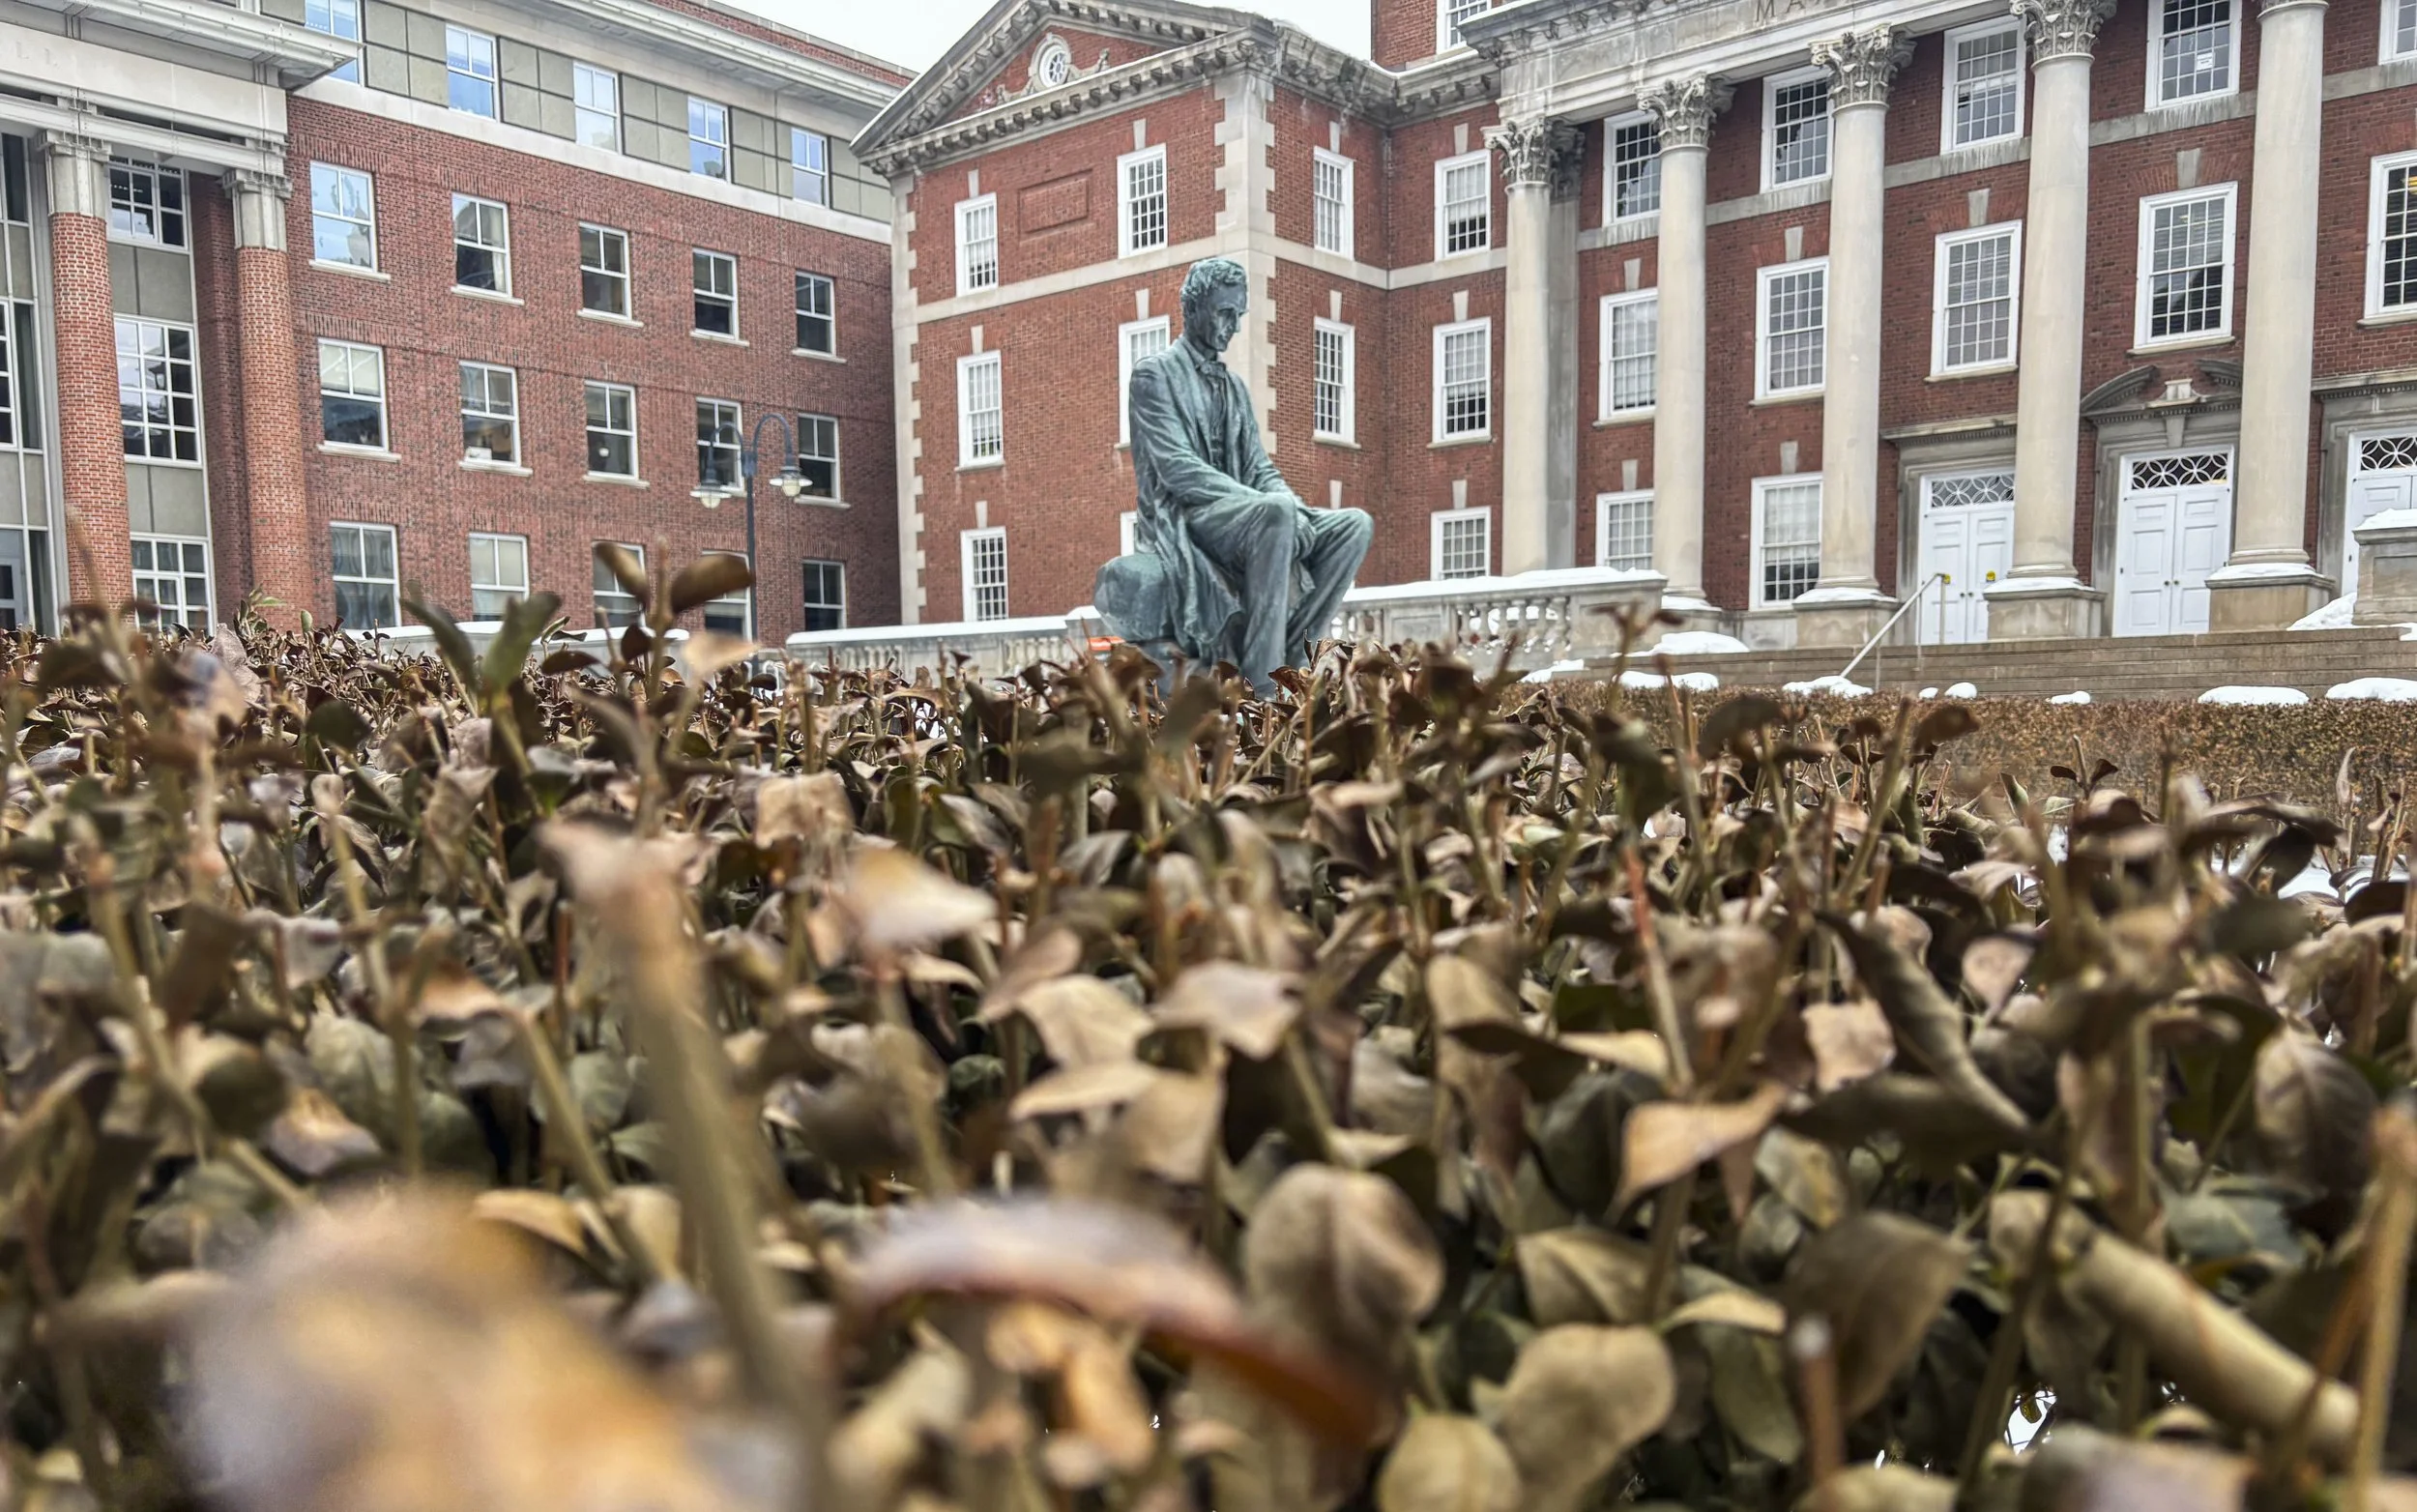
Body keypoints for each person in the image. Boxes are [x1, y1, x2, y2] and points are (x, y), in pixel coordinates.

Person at [1115, 256, 1372, 694]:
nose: (1233, 326)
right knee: (1274, 515)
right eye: (1224, 313)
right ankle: (1262, 688)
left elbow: (1258, 467)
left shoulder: (1232, 386)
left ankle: (1292, 659)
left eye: (1238, 314)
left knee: (1353, 526)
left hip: (1243, 516)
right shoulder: (1154, 375)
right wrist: (1270, 508)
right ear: (1193, 307)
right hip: (1189, 519)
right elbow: (1179, 470)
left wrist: (1295, 507)